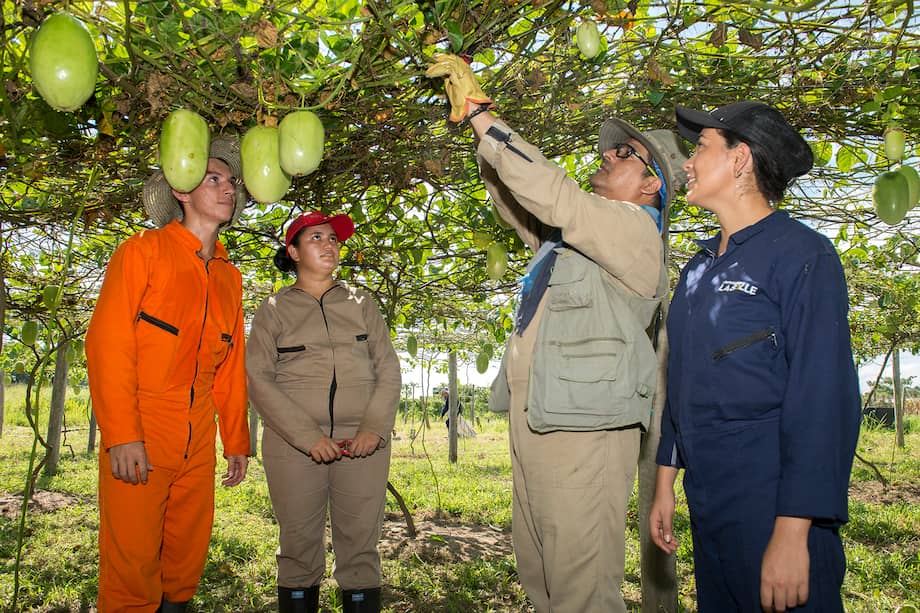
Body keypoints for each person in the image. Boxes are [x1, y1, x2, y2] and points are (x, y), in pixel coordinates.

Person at [426, 54, 688, 613]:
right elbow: (522, 202)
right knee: (543, 574)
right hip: (545, 417)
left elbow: (556, 197)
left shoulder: (635, 233)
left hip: (583, 432)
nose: (609, 155)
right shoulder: (578, 241)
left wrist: (482, 114)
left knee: (581, 590)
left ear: (651, 186)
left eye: (627, 154)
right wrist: (483, 141)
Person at [649, 101, 862, 612]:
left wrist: (792, 533)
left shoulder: (802, 255)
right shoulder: (698, 270)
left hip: (774, 503)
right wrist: (665, 485)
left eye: (700, 148)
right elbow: (682, 384)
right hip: (711, 503)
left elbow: (823, 399)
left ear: (740, 159)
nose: (687, 163)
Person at [85, 136, 251, 612]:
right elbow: (108, 344)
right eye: (213, 179)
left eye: (232, 182)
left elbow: (231, 364)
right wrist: (122, 434)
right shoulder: (143, 253)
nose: (228, 189)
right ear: (181, 190)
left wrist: (235, 439)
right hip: (143, 427)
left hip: (198, 437)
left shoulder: (228, 276)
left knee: (185, 559)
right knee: (131, 564)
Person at [246, 211, 401, 613]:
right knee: (298, 545)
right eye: (315, 238)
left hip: (363, 445)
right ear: (293, 251)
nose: (329, 245)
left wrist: (374, 428)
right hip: (292, 445)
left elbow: (388, 369)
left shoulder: (362, 303)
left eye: (332, 238)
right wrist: (308, 437)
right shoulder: (274, 309)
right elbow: (259, 380)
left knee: (361, 545)